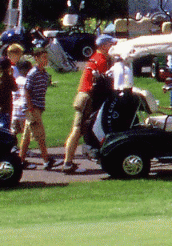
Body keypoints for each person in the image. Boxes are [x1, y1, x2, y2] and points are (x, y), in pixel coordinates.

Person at [60, 36, 116, 172]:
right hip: (87, 97)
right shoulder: (101, 60)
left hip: (86, 96)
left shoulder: (96, 57)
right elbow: (103, 83)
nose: (112, 47)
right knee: (77, 129)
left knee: (82, 128)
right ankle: (67, 163)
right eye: (110, 44)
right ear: (103, 46)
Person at [13, 47, 52, 169]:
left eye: (46, 57)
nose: (46, 60)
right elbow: (27, 90)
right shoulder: (33, 73)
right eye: (43, 57)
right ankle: (46, 160)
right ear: (36, 58)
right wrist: (30, 107)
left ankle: (20, 159)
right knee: (40, 134)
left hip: (38, 107)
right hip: (32, 107)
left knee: (26, 136)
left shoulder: (44, 74)